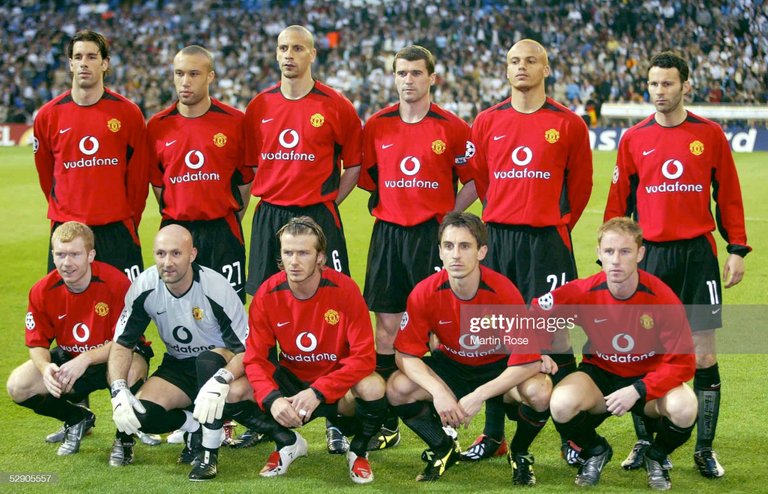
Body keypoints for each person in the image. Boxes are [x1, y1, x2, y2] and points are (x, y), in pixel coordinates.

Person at [604, 51, 750, 478]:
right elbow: (619, 206)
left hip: (697, 258)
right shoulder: (633, 138)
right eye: (653, 84)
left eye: (668, 83)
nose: (659, 92)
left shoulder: (710, 134)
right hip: (649, 259)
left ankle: (703, 449)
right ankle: (648, 443)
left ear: (686, 85)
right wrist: (615, 256)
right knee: (645, 353)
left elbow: (728, 194)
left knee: (703, 354)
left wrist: (736, 247)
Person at [465, 38, 593, 463]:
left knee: (554, 335)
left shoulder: (569, 123)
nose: (522, 67)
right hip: (499, 240)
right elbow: (482, 181)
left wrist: (551, 224)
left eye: (531, 61)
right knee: (498, 338)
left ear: (546, 68)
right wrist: (503, 216)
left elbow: (580, 188)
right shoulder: (486, 121)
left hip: (547, 244)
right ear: (506, 69)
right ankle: (493, 435)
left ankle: (571, 433)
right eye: (515, 61)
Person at [357, 44, 475, 451]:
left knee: (436, 328)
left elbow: (474, 179)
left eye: (416, 73)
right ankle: (386, 420)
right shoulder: (377, 125)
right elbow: (368, 178)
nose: (408, 80)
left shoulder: (453, 127)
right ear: (394, 77)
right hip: (389, 235)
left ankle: (444, 407)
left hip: (431, 239)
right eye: (401, 73)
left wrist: (447, 218)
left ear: (432, 78)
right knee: (387, 327)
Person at [387, 212, 555, 483]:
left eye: (465, 246)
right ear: (440, 251)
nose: (456, 255)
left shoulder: (503, 291)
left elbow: (527, 361)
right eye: (449, 246)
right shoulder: (424, 292)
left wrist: (479, 396)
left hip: (499, 369)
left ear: (481, 252)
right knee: (397, 388)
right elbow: (405, 355)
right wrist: (439, 391)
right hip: (453, 366)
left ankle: (520, 452)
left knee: (540, 391)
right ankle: (443, 449)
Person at [545, 217, 697, 490]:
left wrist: (639, 389)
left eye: (625, 252)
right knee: (560, 403)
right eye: (609, 252)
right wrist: (534, 350)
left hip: (649, 380)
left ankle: (656, 456)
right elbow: (537, 311)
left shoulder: (661, 297)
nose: (616, 260)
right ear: (599, 254)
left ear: (640, 254)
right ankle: (596, 450)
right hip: (600, 376)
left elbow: (684, 363)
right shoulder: (584, 290)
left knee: (685, 408)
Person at [243, 217, 387, 484]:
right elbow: (255, 358)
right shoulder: (267, 293)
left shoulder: (344, 290)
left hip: (335, 385)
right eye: (288, 253)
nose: (294, 261)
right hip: (291, 383)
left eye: (303, 253)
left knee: (373, 387)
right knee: (234, 391)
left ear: (320, 257)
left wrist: (319, 391)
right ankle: (287, 442)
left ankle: (358, 451)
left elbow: (364, 356)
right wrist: (272, 398)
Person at [107, 225, 255, 481]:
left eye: (176, 253)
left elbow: (246, 349)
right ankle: (193, 424)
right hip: (178, 364)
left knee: (208, 361)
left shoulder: (215, 288)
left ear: (192, 254)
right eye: (161, 254)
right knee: (141, 415)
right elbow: (122, 344)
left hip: (219, 364)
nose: (168, 262)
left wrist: (222, 380)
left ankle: (209, 454)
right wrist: (119, 389)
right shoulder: (144, 287)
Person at [6, 222, 152, 458]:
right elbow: (37, 343)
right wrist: (45, 368)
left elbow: (125, 342)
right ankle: (77, 418)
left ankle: (124, 439)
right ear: (52, 255)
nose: (67, 263)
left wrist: (85, 358)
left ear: (90, 255)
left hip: (117, 354)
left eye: (75, 254)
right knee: (18, 385)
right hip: (71, 359)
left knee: (132, 370)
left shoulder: (117, 284)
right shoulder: (41, 290)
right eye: (60, 254)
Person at [243, 25, 361, 295]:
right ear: (276, 54)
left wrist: (326, 202)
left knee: (330, 295)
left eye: (297, 48)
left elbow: (354, 166)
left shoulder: (337, 106)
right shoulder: (258, 107)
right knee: (266, 299)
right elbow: (250, 166)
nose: (289, 55)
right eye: (283, 48)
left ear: (312, 54)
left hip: (318, 214)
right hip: (269, 214)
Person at [33, 30, 150, 280]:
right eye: (78, 57)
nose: (84, 63)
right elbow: (46, 176)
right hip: (67, 231)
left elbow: (138, 181)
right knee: (65, 310)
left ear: (105, 63)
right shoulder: (48, 116)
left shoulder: (128, 113)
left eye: (92, 56)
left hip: (117, 231)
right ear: (70, 64)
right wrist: (66, 212)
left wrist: (124, 219)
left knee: (126, 312)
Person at [147, 45, 253, 302]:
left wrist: (226, 214)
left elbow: (246, 180)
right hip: (176, 230)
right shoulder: (157, 126)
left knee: (229, 311)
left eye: (194, 73)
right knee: (178, 310)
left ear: (210, 77)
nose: (185, 81)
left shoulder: (235, 121)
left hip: (223, 232)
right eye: (179, 73)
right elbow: (158, 184)